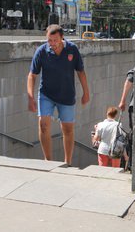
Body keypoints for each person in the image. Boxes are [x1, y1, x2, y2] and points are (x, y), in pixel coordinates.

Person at [27, 24, 90, 165]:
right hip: (46, 94)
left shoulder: (72, 49)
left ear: (62, 38)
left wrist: (86, 92)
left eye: (55, 40)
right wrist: (30, 96)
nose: (52, 44)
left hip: (66, 95)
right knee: (43, 124)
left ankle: (68, 162)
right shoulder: (42, 51)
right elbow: (32, 75)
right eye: (49, 40)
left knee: (67, 129)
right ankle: (48, 160)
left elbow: (80, 71)